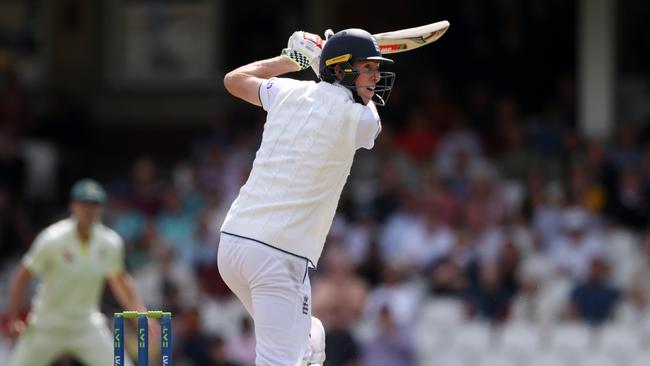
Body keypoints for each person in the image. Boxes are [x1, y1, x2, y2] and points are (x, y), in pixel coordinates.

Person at [217, 28, 396, 366]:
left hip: (233, 246)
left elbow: (235, 80)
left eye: (376, 68)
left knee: (309, 340)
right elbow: (371, 122)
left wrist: (290, 61)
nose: (376, 76)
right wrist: (315, 60)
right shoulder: (358, 117)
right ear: (341, 70)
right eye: (368, 68)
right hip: (277, 254)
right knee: (279, 360)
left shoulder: (287, 91)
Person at [6, 178, 157, 366]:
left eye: (94, 204)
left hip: (86, 325)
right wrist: (13, 319)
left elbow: (119, 281)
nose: (89, 209)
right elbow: (21, 277)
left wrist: (140, 314)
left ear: (101, 208)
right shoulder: (52, 238)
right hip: (47, 324)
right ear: (73, 206)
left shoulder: (110, 243)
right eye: (84, 203)